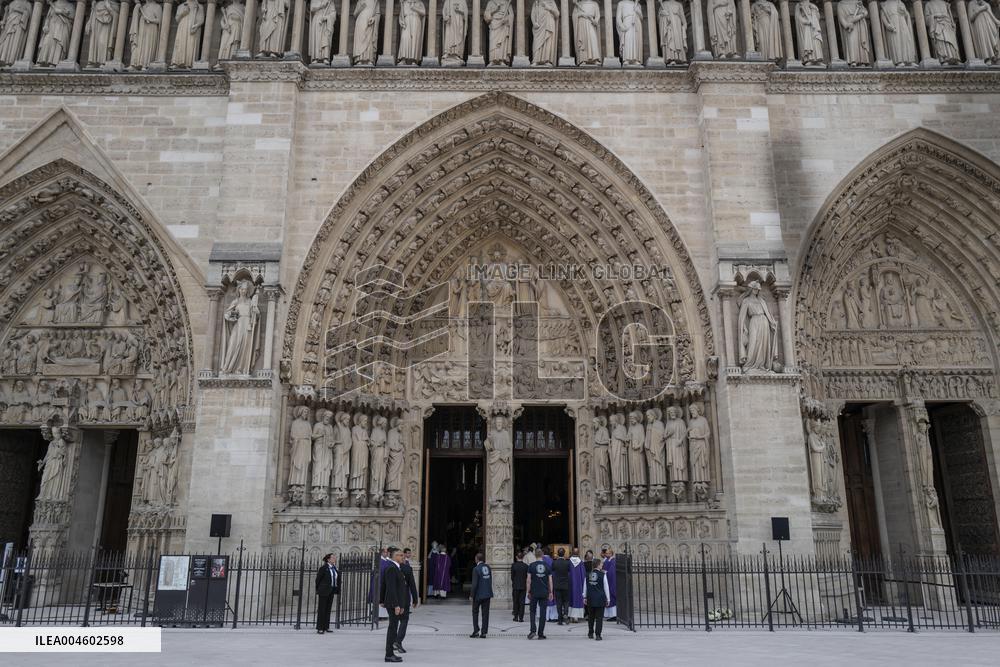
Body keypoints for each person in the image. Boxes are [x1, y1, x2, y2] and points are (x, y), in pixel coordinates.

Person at [379, 547, 409, 663]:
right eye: (400, 555)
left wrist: (382, 600)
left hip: (394, 602)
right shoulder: (392, 568)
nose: (403, 557)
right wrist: (396, 605)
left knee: (393, 627)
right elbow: (391, 588)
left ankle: (390, 653)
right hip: (393, 603)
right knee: (392, 628)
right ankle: (389, 654)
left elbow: (384, 584)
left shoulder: (395, 567)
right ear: (395, 556)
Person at [394, 548, 419, 654]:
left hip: (393, 598)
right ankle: (398, 641)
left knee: (394, 622)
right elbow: (412, 585)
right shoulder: (407, 569)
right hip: (404, 598)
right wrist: (415, 599)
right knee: (404, 621)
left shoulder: (390, 567)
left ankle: (393, 641)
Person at [527, 548, 553, 639]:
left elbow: (528, 580)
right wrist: (551, 592)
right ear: (542, 555)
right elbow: (550, 581)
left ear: (535, 555)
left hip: (534, 591)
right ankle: (541, 633)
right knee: (543, 612)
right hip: (544, 592)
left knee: (532, 611)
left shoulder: (531, 566)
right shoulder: (547, 566)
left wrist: (528, 591)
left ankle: (533, 630)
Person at [584, 557, 610, 640]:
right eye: (601, 564)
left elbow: (585, 586)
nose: (602, 565)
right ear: (598, 565)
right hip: (600, 598)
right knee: (599, 618)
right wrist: (608, 599)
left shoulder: (588, 574)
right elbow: (606, 588)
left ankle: (590, 633)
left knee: (591, 617)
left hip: (590, 597)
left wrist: (584, 596)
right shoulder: (603, 575)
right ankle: (598, 635)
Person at [469, 552, 493, 638]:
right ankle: (484, 632)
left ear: (477, 559)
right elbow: (490, 580)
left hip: (478, 595)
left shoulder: (476, 569)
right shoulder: (488, 568)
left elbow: (474, 584)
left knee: (475, 612)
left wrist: (471, 595)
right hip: (487, 594)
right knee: (485, 613)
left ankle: (476, 631)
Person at [315, 553, 340, 634]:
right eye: (333, 557)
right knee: (322, 609)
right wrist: (319, 589)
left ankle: (326, 626)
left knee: (328, 609)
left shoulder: (334, 568)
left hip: (331, 590)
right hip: (324, 591)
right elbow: (318, 580)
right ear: (328, 559)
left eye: (335, 557)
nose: (334, 558)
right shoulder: (323, 568)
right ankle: (320, 628)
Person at [551, 547, 571, 624]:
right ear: (564, 554)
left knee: (559, 602)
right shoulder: (567, 562)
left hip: (557, 585)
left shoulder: (554, 562)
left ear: (558, 554)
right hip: (565, 584)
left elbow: (552, 570)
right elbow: (569, 571)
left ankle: (560, 619)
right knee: (566, 601)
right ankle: (565, 614)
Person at [510, 550, 528, 622]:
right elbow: (527, 576)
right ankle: (521, 618)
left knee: (516, 601)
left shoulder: (513, 565)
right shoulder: (526, 566)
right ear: (523, 557)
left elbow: (512, 577)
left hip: (515, 586)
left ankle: (515, 617)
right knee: (522, 602)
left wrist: (514, 581)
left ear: (516, 557)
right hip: (523, 586)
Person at [568, 548, 585, 621]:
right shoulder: (581, 562)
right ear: (578, 553)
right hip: (579, 585)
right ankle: (576, 617)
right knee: (578, 599)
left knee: (571, 598)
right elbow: (583, 575)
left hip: (570, 584)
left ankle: (571, 616)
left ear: (572, 553)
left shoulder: (569, 562)